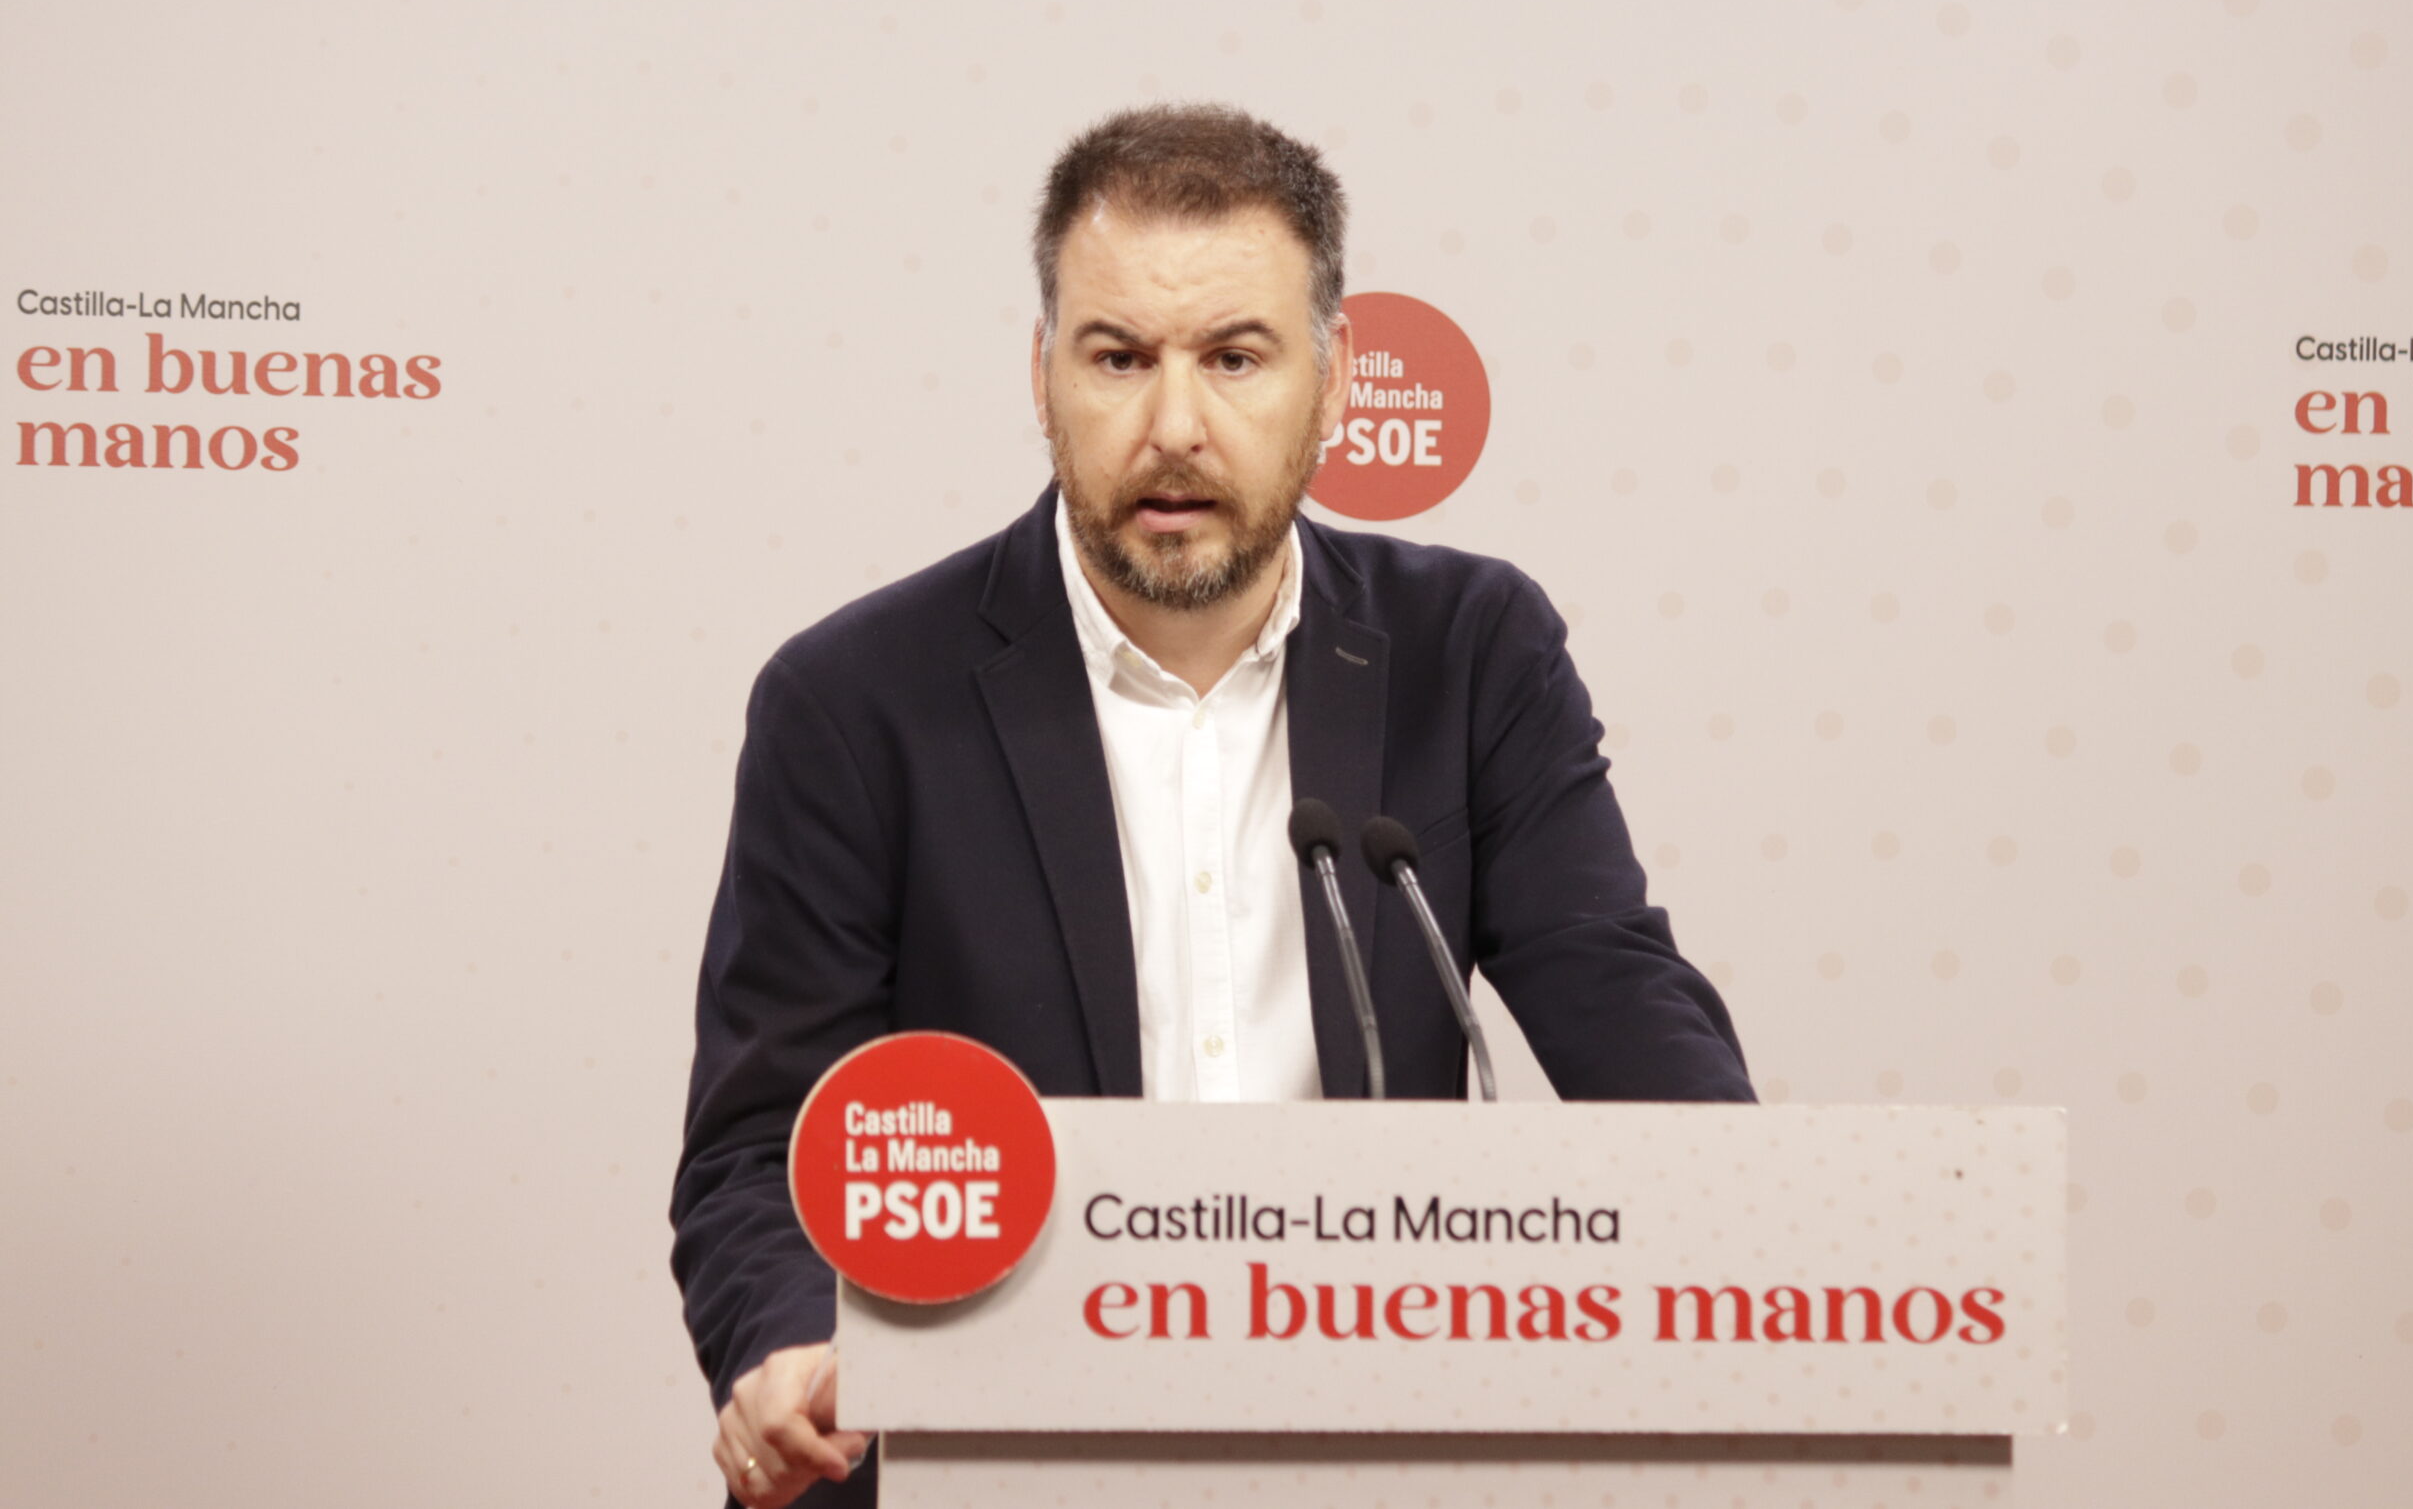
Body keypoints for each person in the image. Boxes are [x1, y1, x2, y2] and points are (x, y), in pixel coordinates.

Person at [670, 104, 1754, 1507]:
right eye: (1119, 358)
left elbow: (1620, 1002)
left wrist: (1763, 1247)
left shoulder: (1472, 651)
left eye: (1235, 358)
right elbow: (763, 1144)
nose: (1173, 427)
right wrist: (787, 1347)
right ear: (1043, 377)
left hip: (1365, 1456)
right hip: (983, 1456)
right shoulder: (854, 699)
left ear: (1335, 381)